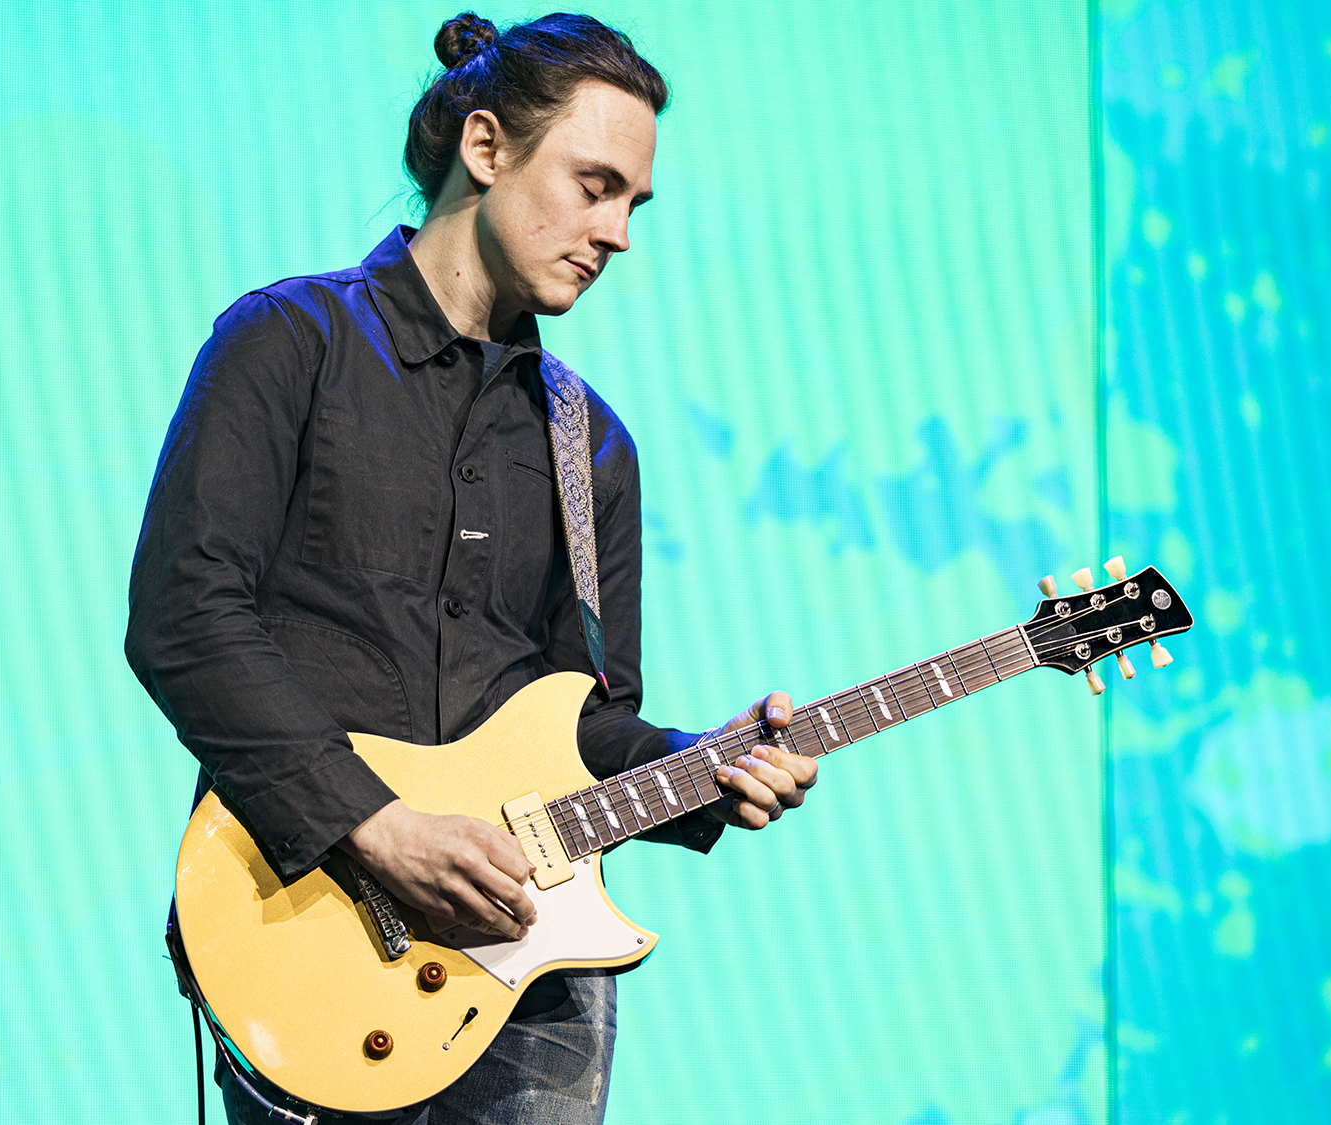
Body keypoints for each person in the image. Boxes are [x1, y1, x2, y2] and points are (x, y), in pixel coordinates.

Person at [126, 12, 818, 1123]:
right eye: (594, 187)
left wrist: (700, 766)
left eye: (633, 205)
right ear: (485, 147)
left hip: (530, 967)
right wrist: (376, 826)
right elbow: (184, 617)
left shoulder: (592, 446)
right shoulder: (288, 342)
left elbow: (588, 724)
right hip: (313, 941)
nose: (616, 233)